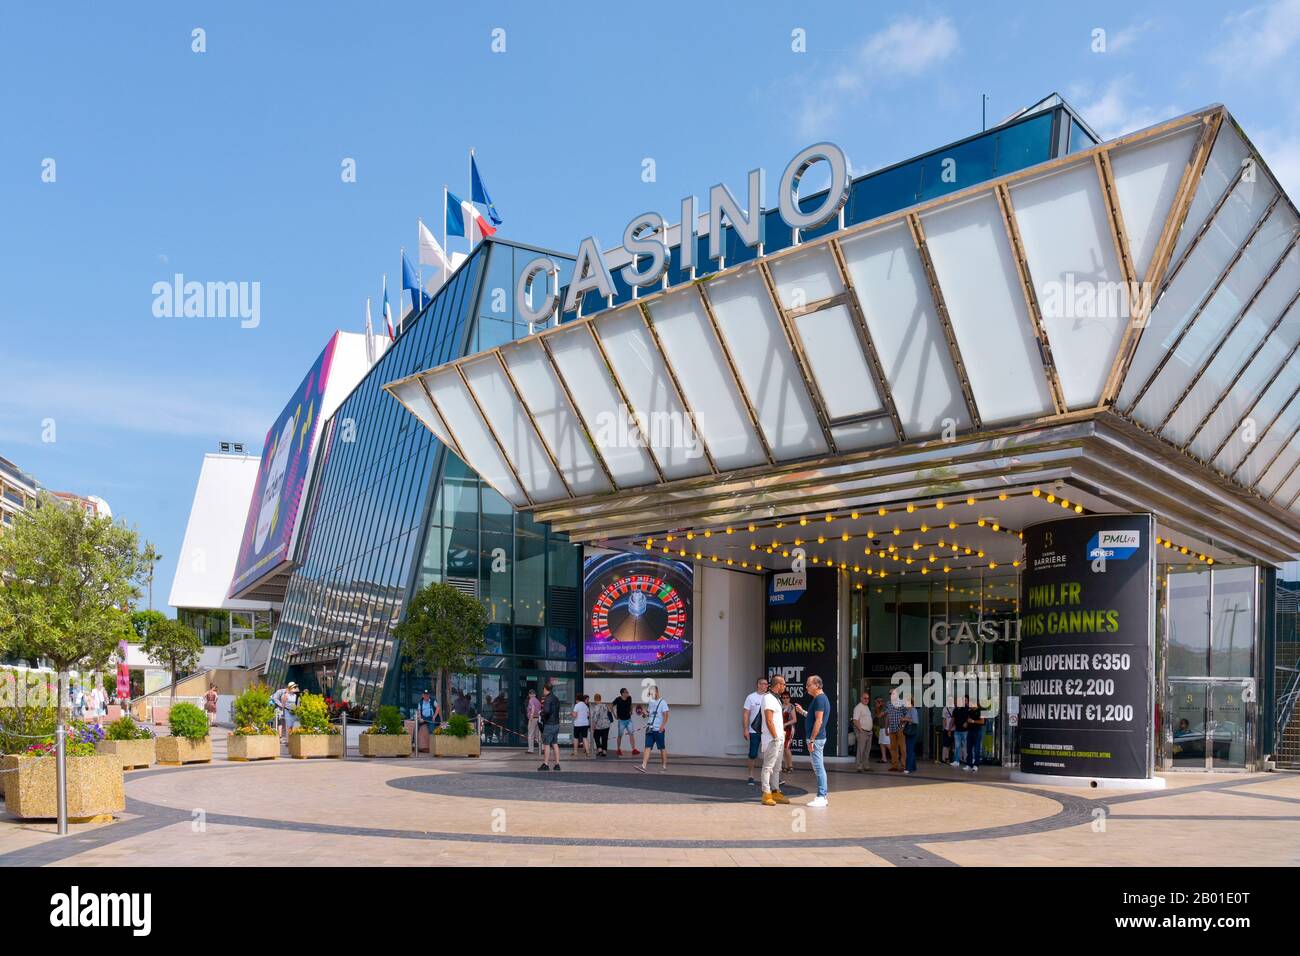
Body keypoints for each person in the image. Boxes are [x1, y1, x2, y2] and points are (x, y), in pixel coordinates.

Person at [794, 675, 831, 806]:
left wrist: (812, 740)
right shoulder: (819, 699)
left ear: (816, 685)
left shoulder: (820, 699)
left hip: (816, 739)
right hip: (817, 738)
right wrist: (802, 712)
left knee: (818, 767)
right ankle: (822, 796)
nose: (806, 687)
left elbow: (819, 720)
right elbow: (812, 717)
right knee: (818, 767)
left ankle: (822, 796)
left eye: (808, 685)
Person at [758, 675, 788, 805]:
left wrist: (781, 734)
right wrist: (775, 736)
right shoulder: (768, 698)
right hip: (772, 739)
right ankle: (766, 793)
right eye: (784, 684)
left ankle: (775, 791)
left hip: (778, 737)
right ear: (778, 684)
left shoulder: (776, 699)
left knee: (777, 767)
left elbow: (775, 720)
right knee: (768, 767)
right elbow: (769, 720)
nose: (785, 687)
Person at [742, 677, 768, 785]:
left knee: (770, 754)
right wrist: (746, 729)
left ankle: (770, 778)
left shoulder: (770, 697)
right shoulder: (751, 697)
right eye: (762, 684)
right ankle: (751, 776)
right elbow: (746, 714)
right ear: (758, 685)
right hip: (754, 731)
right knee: (752, 754)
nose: (765, 686)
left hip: (768, 731)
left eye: (766, 684)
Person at [638, 686, 669, 773]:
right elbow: (648, 714)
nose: (651, 695)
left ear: (657, 692)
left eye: (652, 693)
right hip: (650, 729)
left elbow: (666, 715)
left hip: (658, 729)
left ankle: (664, 767)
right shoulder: (651, 702)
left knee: (661, 748)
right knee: (647, 747)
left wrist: (662, 726)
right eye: (650, 693)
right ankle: (643, 766)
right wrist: (644, 714)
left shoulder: (663, 702)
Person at [538, 684, 562, 772]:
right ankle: (557, 764)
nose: (543, 690)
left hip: (549, 724)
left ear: (545, 689)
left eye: (543, 689)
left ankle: (546, 764)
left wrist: (541, 713)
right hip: (556, 723)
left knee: (547, 744)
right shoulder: (556, 698)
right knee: (555, 743)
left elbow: (547, 711)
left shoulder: (547, 699)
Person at [613, 687, 640, 756]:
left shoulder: (629, 698)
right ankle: (618, 749)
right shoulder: (618, 699)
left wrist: (631, 710)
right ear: (622, 693)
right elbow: (611, 706)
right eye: (626, 692)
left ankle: (633, 749)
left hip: (628, 720)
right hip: (621, 721)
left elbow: (630, 704)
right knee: (620, 735)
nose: (628, 693)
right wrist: (615, 715)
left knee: (631, 734)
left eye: (628, 692)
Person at [852, 691, 874, 773]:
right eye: (865, 698)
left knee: (867, 750)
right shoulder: (858, 707)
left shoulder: (866, 707)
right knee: (861, 750)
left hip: (869, 732)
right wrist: (860, 730)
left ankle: (866, 766)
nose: (866, 699)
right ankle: (859, 766)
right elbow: (855, 720)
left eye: (868, 698)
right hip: (863, 732)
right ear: (861, 698)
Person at [885, 691, 906, 772]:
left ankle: (903, 766)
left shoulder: (902, 703)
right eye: (890, 693)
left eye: (892, 693)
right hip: (892, 729)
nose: (891, 695)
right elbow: (887, 716)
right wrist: (886, 728)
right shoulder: (888, 703)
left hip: (900, 729)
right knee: (893, 748)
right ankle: (895, 766)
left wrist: (903, 726)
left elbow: (906, 715)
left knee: (902, 749)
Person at [963, 697, 984, 772]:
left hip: (977, 731)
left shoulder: (981, 711)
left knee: (977, 749)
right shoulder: (970, 711)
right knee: (969, 748)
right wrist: (966, 723)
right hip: (970, 731)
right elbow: (968, 719)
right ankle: (969, 764)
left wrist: (973, 721)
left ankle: (976, 765)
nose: (969, 705)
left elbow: (982, 722)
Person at [901, 694, 920, 774]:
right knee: (911, 750)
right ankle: (913, 767)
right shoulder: (909, 710)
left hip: (911, 732)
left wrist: (905, 719)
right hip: (909, 732)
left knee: (909, 750)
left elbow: (915, 721)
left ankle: (908, 768)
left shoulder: (913, 710)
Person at [780, 691, 797, 773]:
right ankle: (786, 766)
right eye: (784, 698)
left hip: (789, 729)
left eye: (787, 697)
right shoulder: (780, 706)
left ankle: (790, 766)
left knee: (786, 747)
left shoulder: (791, 707)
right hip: (781, 729)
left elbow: (794, 719)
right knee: (783, 748)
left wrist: (786, 724)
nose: (785, 699)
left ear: (789, 698)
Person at [950, 696, 968, 768]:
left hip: (965, 731)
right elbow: (953, 720)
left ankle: (967, 760)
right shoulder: (955, 710)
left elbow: (969, 717)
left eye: (957, 701)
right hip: (957, 730)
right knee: (957, 746)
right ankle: (956, 761)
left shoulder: (966, 709)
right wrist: (950, 729)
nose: (956, 703)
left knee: (966, 746)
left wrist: (967, 723)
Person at [572, 693, 591, 759]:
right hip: (585, 724)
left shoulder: (577, 705)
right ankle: (588, 752)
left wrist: (572, 714)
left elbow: (574, 715)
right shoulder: (586, 706)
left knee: (576, 738)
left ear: (577, 699)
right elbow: (588, 715)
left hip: (578, 724)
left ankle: (575, 752)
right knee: (585, 738)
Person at [525, 689, 542, 754]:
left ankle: (531, 750)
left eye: (529, 694)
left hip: (533, 719)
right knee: (538, 735)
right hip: (538, 718)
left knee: (530, 734)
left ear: (530, 694)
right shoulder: (537, 700)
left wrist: (531, 717)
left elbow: (533, 707)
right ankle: (542, 748)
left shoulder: (531, 700)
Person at [875, 697, 890, 765]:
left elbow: (879, 716)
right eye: (877, 701)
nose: (878, 703)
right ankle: (884, 758)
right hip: (881, 728)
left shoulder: (885, 708)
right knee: (881, 743)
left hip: (886, 728)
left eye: (879, 701)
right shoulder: (878, 708)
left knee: (887, 744)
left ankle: (895, 757)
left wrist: (877, 707)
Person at [941, 699, 955, 764]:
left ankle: (951, 758)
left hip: (953, 729)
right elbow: (944, 719)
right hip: (946, 729)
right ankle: (944, 758)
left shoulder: (955, 708)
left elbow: (954, 720)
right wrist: (944, 729)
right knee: (945, 744)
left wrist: (951, 729)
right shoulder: (944, 709)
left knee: (952, 745)